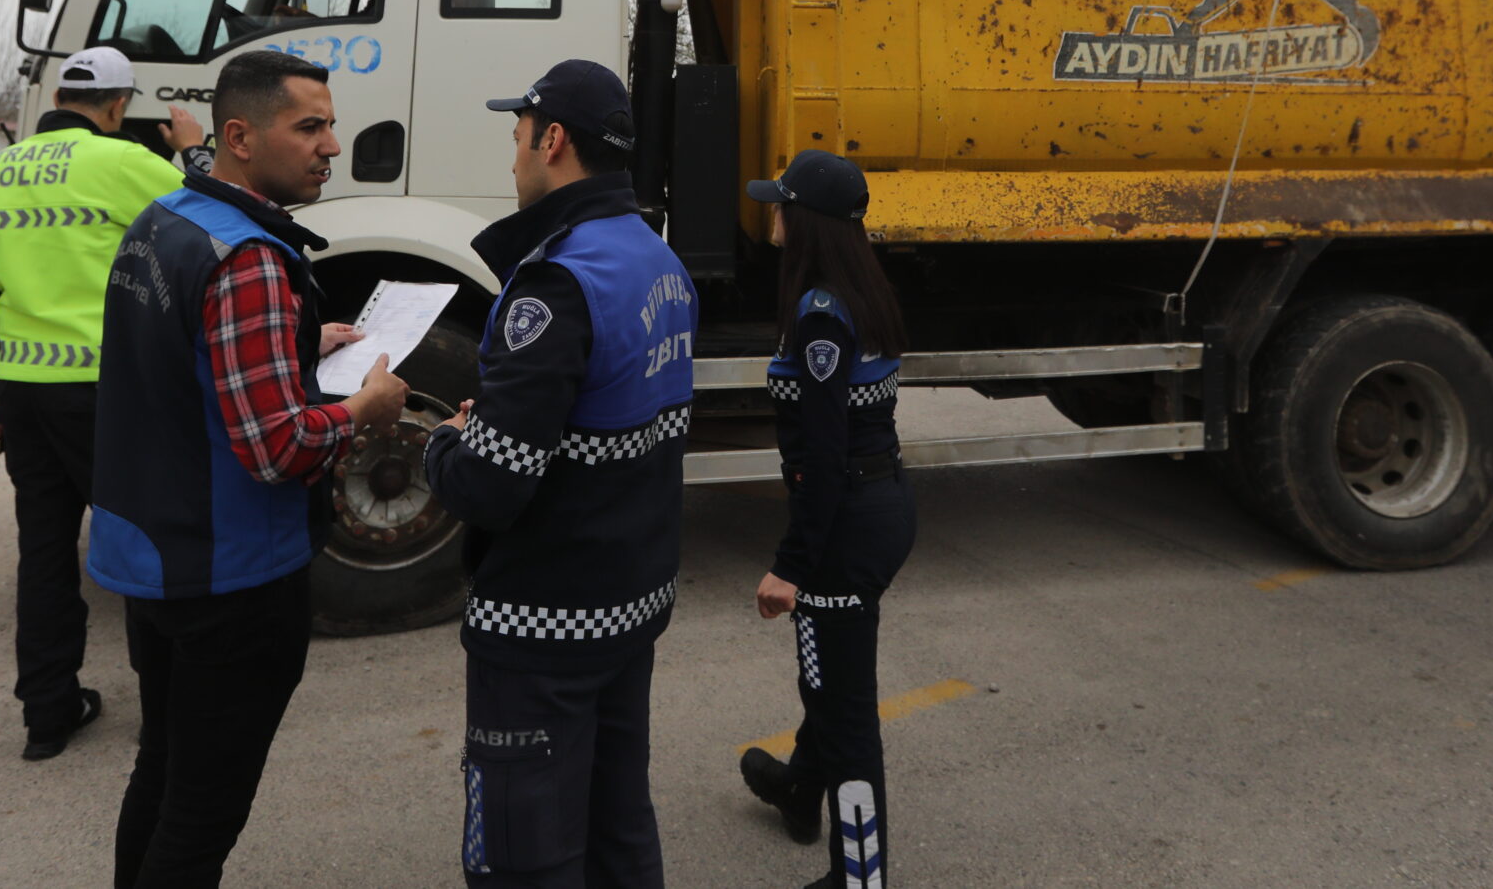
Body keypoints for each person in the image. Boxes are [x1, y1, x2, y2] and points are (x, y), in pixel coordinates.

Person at [87, 48, 408, 887]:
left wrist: (306, 339)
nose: (332, 145)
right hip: (233, 580)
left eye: (329, 124)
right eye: (309, 126)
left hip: (158, 563)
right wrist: (364, 413)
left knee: (161, 770)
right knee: (201, 814)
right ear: (238, 135)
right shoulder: (252, 259)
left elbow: (181, 365)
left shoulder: (166, 219)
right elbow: (278, 447)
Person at [422, 59, 697, 889]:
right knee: (619, 832)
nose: (511, 160)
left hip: (545, 627)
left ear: (552, 140)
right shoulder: (658, 260)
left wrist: (445, 442)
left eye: (516, 138)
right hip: (631, 604)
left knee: (522, 858)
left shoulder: (557, 279)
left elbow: (493, 484)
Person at [0, 45, 209, 761]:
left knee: (44, 549)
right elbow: (215, 211)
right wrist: (194, 149)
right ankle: (163, 710)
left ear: (60, 94)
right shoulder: (123, 162)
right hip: (109, 396)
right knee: (143, 548)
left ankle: (47, 710)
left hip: (22, 394)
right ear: (118, 106)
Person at [737, 150, 914, 889]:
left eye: (781, 202)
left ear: (804, 220)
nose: (771, 210)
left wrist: (791, 566)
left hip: (846, 521)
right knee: (830, 679)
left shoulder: (819, 317)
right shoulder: (858, 289)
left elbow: (823, 459)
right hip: (881, 503)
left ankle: (859, 876)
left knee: (843, 710)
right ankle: (800, 790)